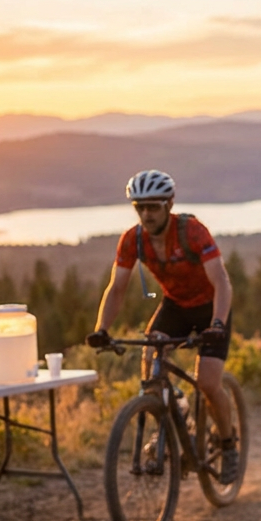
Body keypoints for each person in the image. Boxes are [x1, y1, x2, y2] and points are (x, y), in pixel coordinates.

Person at [86, 170, 238, 479]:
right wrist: (102, 329)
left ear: (168, 205)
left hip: (211, 307)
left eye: (153, 206)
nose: (146, 214)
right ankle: (171, 414)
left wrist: (218, 323)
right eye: (139, 207)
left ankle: (228, 443)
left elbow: (221, 281)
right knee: (151, 365)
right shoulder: (133, 240)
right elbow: (116, 289)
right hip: (176, 306)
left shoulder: (192, 232)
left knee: (208, 383)